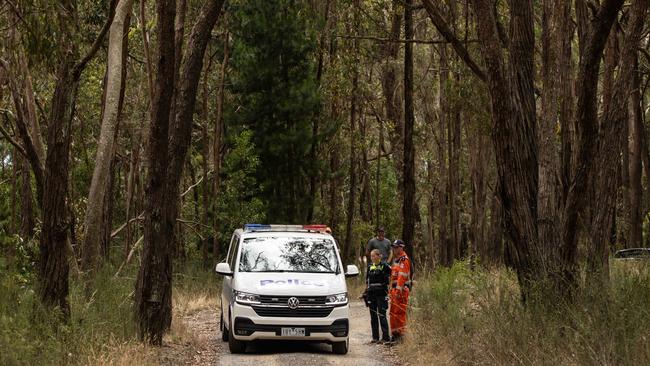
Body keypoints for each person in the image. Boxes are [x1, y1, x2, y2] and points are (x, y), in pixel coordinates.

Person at [365, 249, 391, 344]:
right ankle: (375, 338)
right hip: (372, 294)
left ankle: (385, 337)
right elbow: (367, 281)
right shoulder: (369, 267)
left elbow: (391, 277)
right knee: (373, 316)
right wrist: (365, 293)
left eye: (374, 256)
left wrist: (390, 291)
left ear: (379, 256)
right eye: (371, 256)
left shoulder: (385, 266)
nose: (372, 258)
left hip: (381, 294)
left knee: (382, 315)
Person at [389, 239, 411, 342]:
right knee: (393, 312)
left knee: (399, 312)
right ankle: (394, 335)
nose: (394, 249)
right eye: (394, 247)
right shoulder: (396, 260)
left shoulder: (404, 259)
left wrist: (398, 291)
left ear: (401, 247)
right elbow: (393, 277)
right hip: (395, 290)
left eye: (396, 247)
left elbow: (402, 277)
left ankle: (400, 336)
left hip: (401, 291)